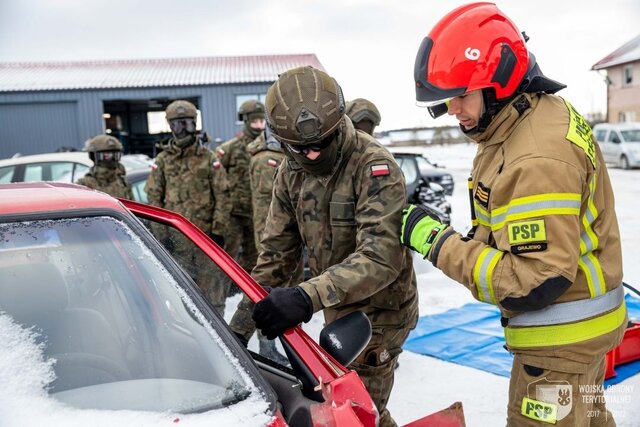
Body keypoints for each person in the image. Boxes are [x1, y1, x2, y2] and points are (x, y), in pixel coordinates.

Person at [402, 3, 626, 425]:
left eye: (461, 95)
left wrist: (437, 243)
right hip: (586, 333)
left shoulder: (535, 156)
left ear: (501, 81)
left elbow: (535, 280)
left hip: (560, 347)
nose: (453, 110)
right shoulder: (528, 118)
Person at [240, 66, 418, 427]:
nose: (312, 156)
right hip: (335, 306)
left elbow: (380, 257)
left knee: (352, 411)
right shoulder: (289, 174)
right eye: (300, 148)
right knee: (357, 409)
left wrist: (305, 297)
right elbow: (276, 255)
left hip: (381, 311)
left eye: (321, 144)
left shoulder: (374, 166)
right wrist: (236, 331)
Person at [145, 99, 230, 314]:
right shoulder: (163, 160)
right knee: (182, 295)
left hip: (205, 240)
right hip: (177, 243)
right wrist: (161, 235)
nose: (182, 130)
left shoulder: (208, 158)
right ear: (170, 126)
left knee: (213, 295)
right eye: (177, 124)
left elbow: (222, 195)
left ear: (195, 125)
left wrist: (218, 232)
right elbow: (154, 199)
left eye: (187, 124)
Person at [216, 100, 265, 285]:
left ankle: (246, 290)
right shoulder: (230, 148)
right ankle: (221, 290)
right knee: (227, 255)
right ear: (245, 121)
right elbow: (216, 177)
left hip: (257, 213)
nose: (259, 126)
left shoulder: (267, 147)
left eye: (262, 122)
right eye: (254, 122)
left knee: (255, 258)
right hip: (234, 213)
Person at [77, 134, 133, 199]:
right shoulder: (84, 184)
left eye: (115, 155)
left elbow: (132, 206)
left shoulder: (123, 181)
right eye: (107, 155)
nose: (112, 158)